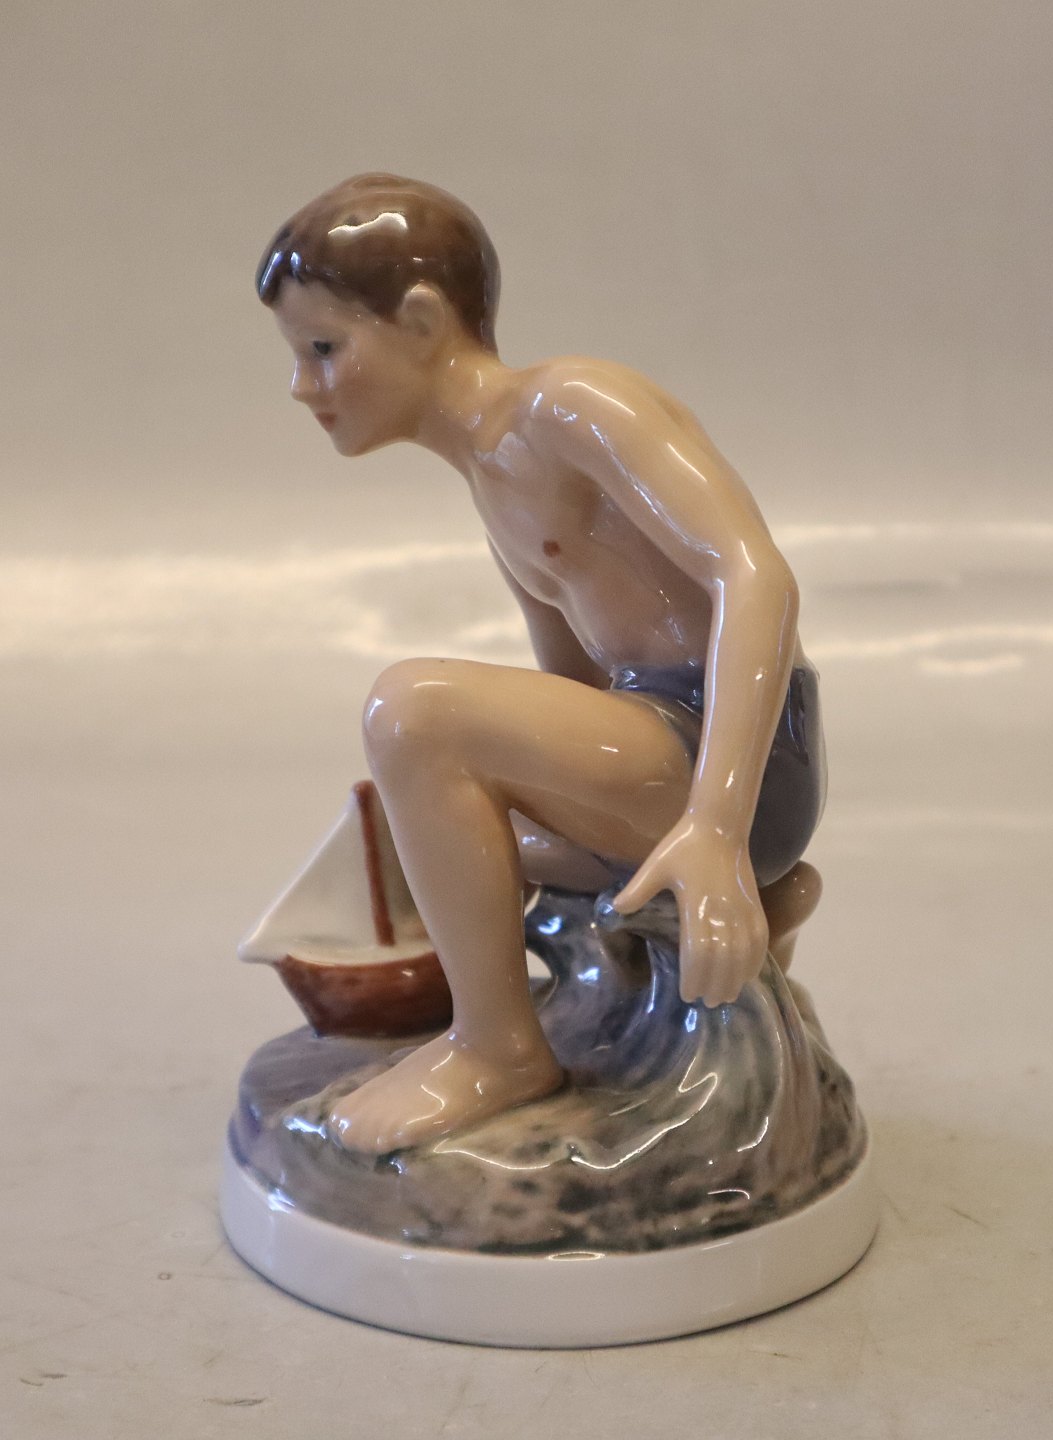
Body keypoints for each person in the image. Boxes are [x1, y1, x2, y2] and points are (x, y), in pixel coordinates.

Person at [258, 174, 824, 1154]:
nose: (304, 388)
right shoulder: (490, 485)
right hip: (652, 750)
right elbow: (570, 697)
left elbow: (754, 575)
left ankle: (497, 1048)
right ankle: (755, 924)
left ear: (422, 322)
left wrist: (715, 827)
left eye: (323, 349)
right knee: (432, 835)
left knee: (412, 710)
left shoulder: (571, 405)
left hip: (739, 755)